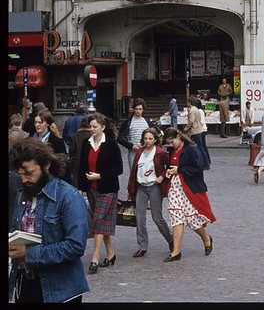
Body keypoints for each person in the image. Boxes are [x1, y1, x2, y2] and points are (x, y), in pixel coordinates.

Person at [8, 139, 90, 303]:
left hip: (60, 290)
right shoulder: (20, 193)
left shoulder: (68, 197)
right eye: (20, 174)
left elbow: (75, 246)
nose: (24, 180)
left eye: (29, 173)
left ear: (46, 165)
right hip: (24, 283)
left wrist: (28, 253)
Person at [76, 112, 124, 274]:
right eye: (90, 126)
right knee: (102, 223)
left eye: (95, 126)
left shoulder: (110, 144)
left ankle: (95, 258)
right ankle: (110, 253)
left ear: (103, 127)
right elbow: (81, 166)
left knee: (97, 221)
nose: (92, 129)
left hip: (108, 189)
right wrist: (81, 186)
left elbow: (119, 169)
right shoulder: (86, 144)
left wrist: (100, 175)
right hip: (92, 189)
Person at [162, 127, 216, 262]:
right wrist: (169, 171)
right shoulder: (171, 151)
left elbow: (198, 167)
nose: (170, 145)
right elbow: (171, 166)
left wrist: (179, 170)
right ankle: (176, 251)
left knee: (193, 220)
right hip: (175, 188)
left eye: (171, 141)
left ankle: (206, 238)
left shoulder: (191, 149)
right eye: (168, 143)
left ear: (178, 137)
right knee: (176, 217)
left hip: (188, 188)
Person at [126, 128, 173, 258]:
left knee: (157, 217)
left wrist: (162, 176)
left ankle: (171, 239)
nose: (147, 141)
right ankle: (142, 246)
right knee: (139, 217)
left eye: (150, 139)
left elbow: (169, 168)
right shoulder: (139, 152)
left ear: (156, 139)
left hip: (154, 186)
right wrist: (131, 189)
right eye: (145, 138)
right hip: (141, 186)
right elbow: (134, 171)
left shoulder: (160, 153)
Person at [117, 97, 155, 169]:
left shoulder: (147, 121)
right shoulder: (128, 122)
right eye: (136, 109)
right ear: (133, 109)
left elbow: (154, 134)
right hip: (133, 151)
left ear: (143, 109)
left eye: (140, 109)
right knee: (133, 173)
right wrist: (131, 146)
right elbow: (119, 138)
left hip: (147, 149)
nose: (138, 111)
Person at [187, 98, 211, 168]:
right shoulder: (197, 110)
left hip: (198, 130)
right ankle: (206, 162)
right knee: (202, 147)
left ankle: (205, 163)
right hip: (200, 129)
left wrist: (186, 128)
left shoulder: (195, 110)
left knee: (201, 147)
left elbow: (193, 120)